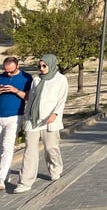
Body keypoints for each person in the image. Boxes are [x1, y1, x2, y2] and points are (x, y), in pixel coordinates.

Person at [14, 54, 69, 193]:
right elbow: (31, 99)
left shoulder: (60, 79)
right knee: (29, 150)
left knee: (51, 148)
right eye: (39, 66)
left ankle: (55, 169)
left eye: (44, 66)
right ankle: (25, 181)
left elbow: (62, 100)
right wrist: (27, 117)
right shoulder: (36, 79)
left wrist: (55, 114)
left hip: (50, 119)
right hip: (33, 119)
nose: (41, 68)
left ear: (52, 64)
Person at [0, 57, 32, 190]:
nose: (8, 74)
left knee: (7, 147)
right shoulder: (1, 77)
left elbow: (29, 97)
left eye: (11, 71)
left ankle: (1, 179)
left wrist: (15, 90)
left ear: (18, 66)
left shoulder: (26, 78)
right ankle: (5, 174)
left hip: (14, 116)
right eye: (6, 71)